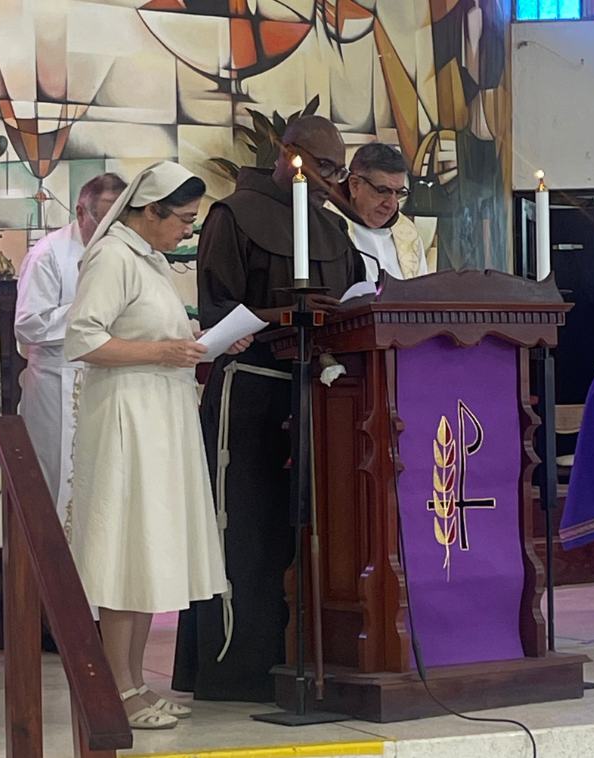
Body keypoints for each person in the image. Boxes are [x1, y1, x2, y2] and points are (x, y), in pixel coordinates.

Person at [174, 115, 366, 702]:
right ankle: (239, 667)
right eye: (324, 168)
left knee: (314, 527)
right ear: (288, 156)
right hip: (252, 388)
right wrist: (281, 324)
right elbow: (216, 304)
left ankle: (313, 652)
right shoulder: (233, 216)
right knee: (247, 529)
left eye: (339, 170)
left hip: (320, 390)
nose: (332, 182)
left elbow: (357, 296)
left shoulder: (332, 229)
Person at [64, 161, 250, 729]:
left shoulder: (149, 259)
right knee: (125, 550)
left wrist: (201, 343)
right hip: (126, 417)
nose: (188, 233)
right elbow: (83, 337)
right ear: (150, 211)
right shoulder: (113, 255)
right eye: (184, 221)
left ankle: (136, 683)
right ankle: (116, 688)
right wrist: (166, 353)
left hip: (157, 413)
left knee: (146, 548)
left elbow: (153, 334)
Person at [16, 172, 127, 526]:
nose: (112, 227)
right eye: (104, 218)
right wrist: (88, 310)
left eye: (119, 218)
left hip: (108, 379)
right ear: (81, 212)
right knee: (58, 480)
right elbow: (28, 324)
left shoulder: (121, 252)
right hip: (57, 383)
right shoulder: (48, 253)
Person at [338, 142, 429, 282]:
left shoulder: (407, 232)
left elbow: (421, 294)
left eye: (399, 193)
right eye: (382, 191)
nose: (391, 204)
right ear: (354, 185)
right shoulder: (329, 225)